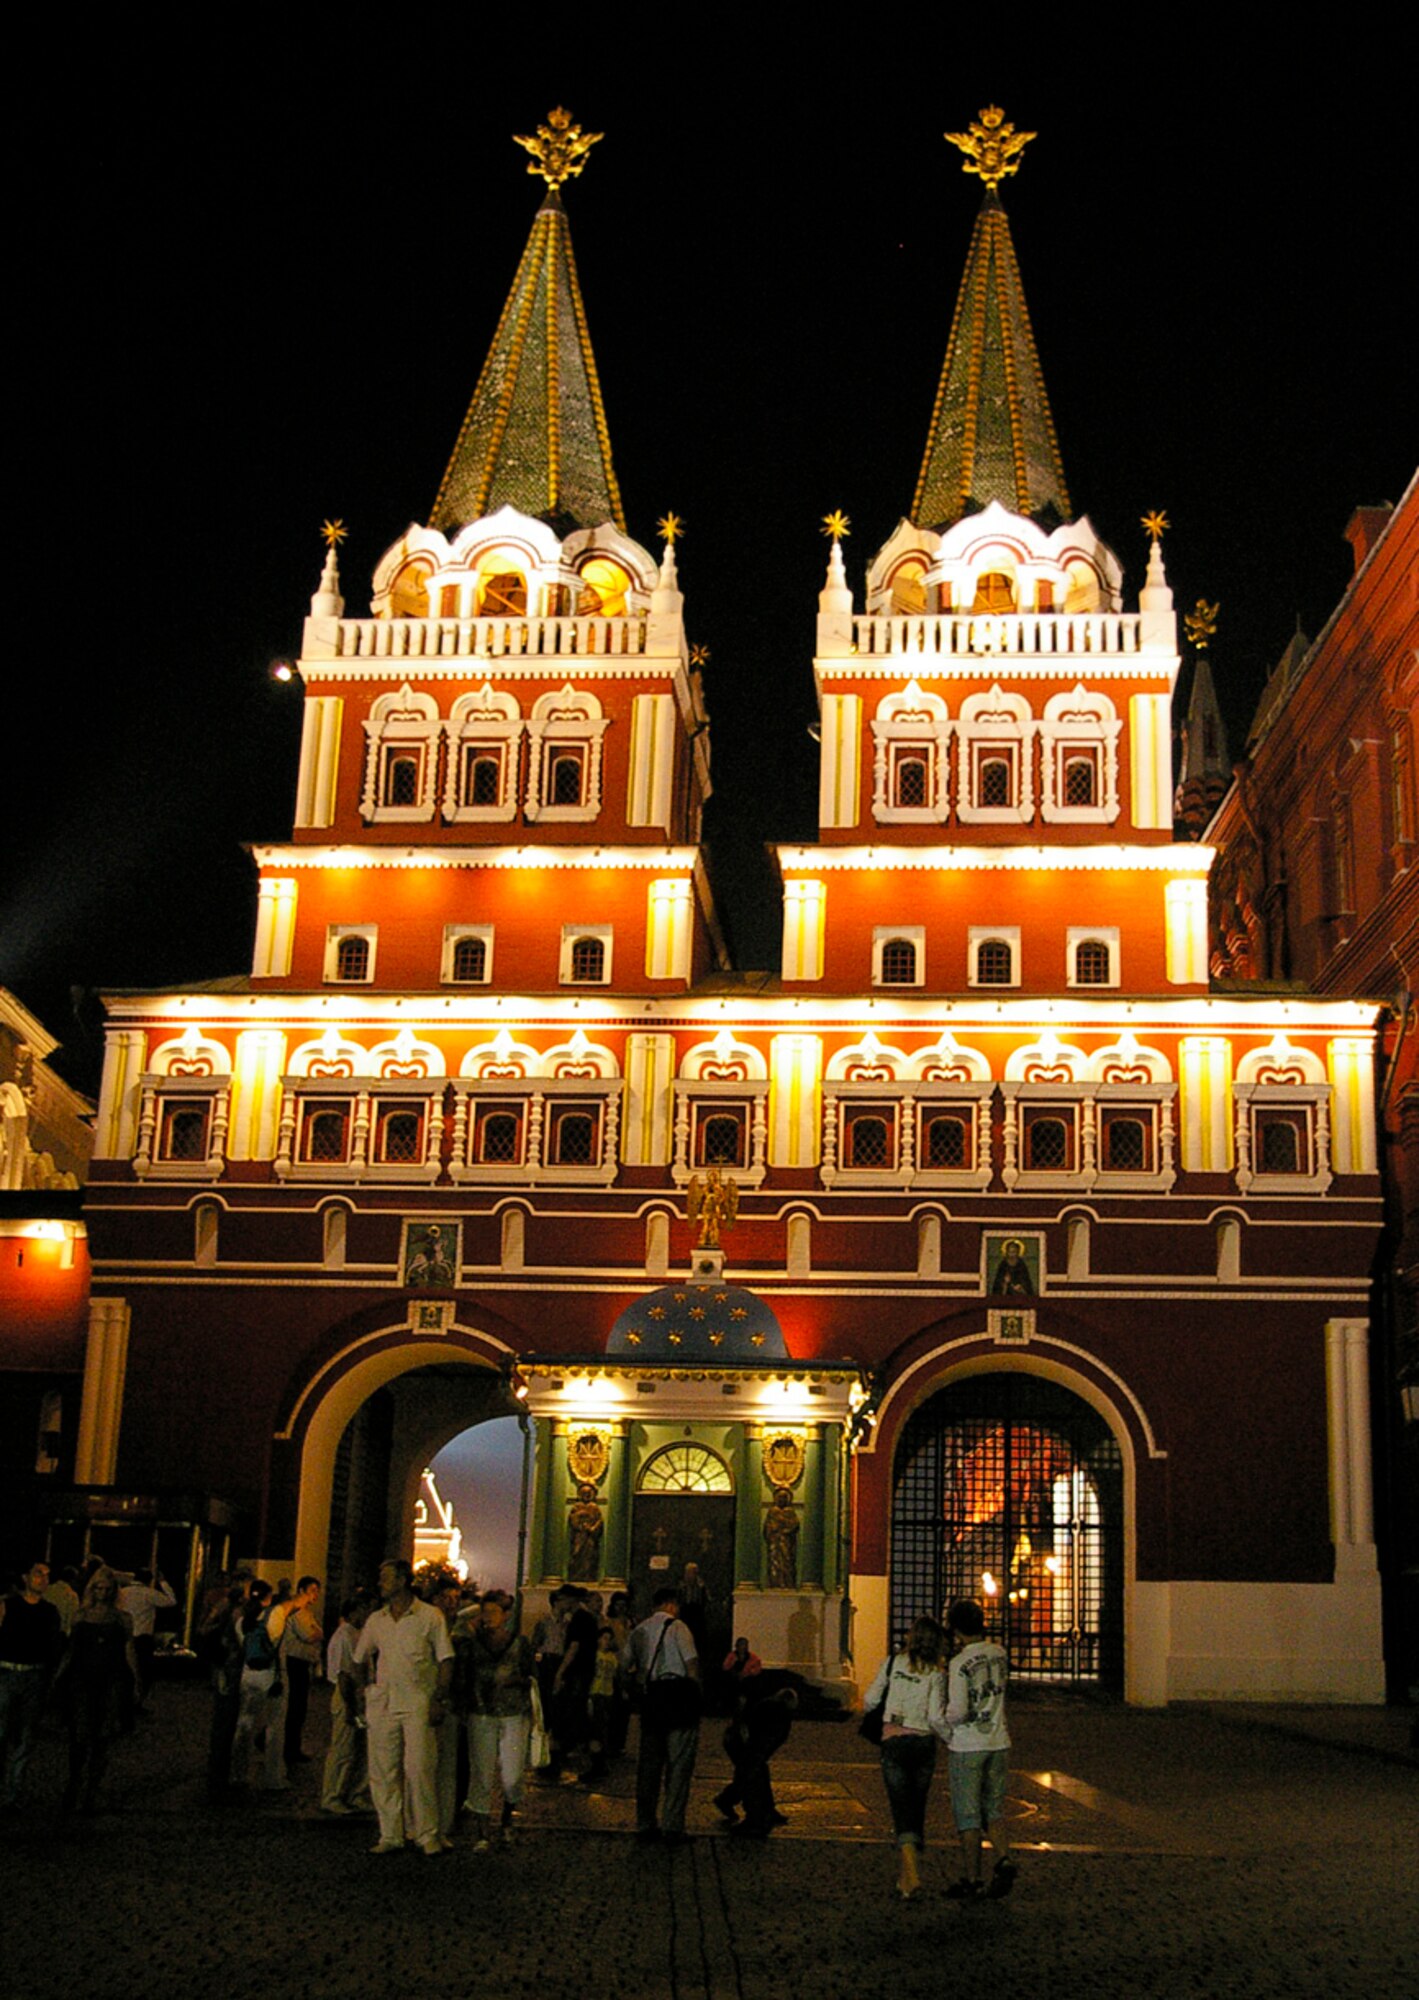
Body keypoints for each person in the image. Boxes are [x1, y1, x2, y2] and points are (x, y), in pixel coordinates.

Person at [352, 1558, 453, 1855]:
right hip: (383, 1701)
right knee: (383, 1770)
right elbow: (360, 1657)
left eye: (386, 1577)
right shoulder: (376, 1620)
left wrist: (439, 1697)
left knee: (419, 1767)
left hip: (418, 1700)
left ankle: (426, 1833)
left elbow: (446, 1659)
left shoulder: (430, 1616)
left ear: (402, 1581)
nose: (380, 1583)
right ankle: (391, 1834)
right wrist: (364, 1689)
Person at [862, 1615, 949, 1900]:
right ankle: (905, 1877)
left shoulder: (892, 1663)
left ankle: (910, 1874)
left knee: (901, 1808)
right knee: (916, 1807)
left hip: (894, 1743)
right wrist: (949, 1737)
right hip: (923, 1743)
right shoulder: (936, 1673)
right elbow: (936, 1716)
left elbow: (870, 1700)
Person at [943, 1597, 1016, 1900]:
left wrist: (942, 1720)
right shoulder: (999, 1654)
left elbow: (959, 1711)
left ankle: (972, 1879)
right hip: (999, 1741)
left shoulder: (960, 1663)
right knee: (993, 1810)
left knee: (968, 1815)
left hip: (968, 1744)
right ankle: (1003, 1857)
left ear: (956, 1629)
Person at [54, 1568, 137, 1814]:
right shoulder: (81, 1616)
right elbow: (71, 1650)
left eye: (106, 1589)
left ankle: (90, 1789)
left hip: (110, 1679)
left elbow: (128, 1651)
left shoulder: (122, 1618)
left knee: (102, 1738)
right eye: (98, 1588)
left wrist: (135, 1682)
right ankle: (74, 1783)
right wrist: (58, 1677)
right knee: (79, 1736)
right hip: (82, 1679)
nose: (102, 1593)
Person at [455, 1590, 533, 1851]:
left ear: (506, 1615)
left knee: (512, 1773)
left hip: (513, 1713)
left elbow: (531, 1677)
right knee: (482, 1772)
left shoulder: (520, 1643)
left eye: (493, 1612)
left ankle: (507, 1818)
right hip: (481, 1712)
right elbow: (463, 1676)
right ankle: (483, 1831)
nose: (487, 1618)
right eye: (484, 1612)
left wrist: (512, 1681)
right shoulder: (470, 1643)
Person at [623, 1586, 700, 1844]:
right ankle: (672, 1826)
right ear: (671, 1605)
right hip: (678, 1699)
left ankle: (645, 1823)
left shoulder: (639, 1630)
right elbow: (691, 1665)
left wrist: (635, 1688)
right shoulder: (679, 1628)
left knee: (649, 1766)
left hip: (652, 1700)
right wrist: (696, 1696)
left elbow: (625, 1667)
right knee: (678, 1765)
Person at [0, 1561, 63, 1810]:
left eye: (47, 1575)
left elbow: (53, 1646)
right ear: (26, 1577)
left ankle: (13, 1793)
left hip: (35, 1675)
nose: (44, 1579)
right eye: (39, 1574)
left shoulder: (50, 1611)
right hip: (7, 1672)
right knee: (2, 1733)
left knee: (26, 1736)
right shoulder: (8, 1605)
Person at [230, 1579, 292, 1791]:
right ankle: (273, 1777)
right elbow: (276, 1644)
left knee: (244, 1724)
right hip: (271, 1675)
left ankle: (238, 1773)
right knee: (274, 1727)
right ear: (268, 1597)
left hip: (248, 1675)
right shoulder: (274, 1616)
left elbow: (244, 1648)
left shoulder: (242, 1621)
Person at [715, 1686, 797, 1835]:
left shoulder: (771, 1709)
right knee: (751, 1777)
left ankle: (756, 1810)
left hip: (745, 1742)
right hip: (746, 1743)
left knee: (753, 1774)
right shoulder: (776, 1713)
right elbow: (762, 1737)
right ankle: (754, 1816)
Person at [322, 1597, 371, 1814]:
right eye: (363, 1609)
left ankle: (353, 1793)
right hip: (346, 1696)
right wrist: (351, 1707)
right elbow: (343, 1674)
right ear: (353, 1612)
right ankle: (332, 1795)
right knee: (343, 1749)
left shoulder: (357, 1633)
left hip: (359, 1696)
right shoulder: (344, 1636)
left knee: (360, 1749)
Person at [117, 1568, 175, 1710]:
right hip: (143, 1637)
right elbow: (171, 1601)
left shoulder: (122, 1593)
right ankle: (138, 1701)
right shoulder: (149, 1594)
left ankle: (124, 1700)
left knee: (125, 1670)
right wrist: (163, 1582)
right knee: (144, 1671)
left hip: (125, 1635)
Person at [281, 1575, 323, 1769]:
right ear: (301, 1591)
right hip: (294, 1662)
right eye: (312, 1590)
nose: (315, 1595)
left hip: (303, 1662)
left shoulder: (306, 1613)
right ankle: (287, 1747)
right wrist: (316, 1633)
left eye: (317, 1591)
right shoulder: (297, 1613)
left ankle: (291, 1745)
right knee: (295, 1707)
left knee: (299, 1707)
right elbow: (309, 1635)